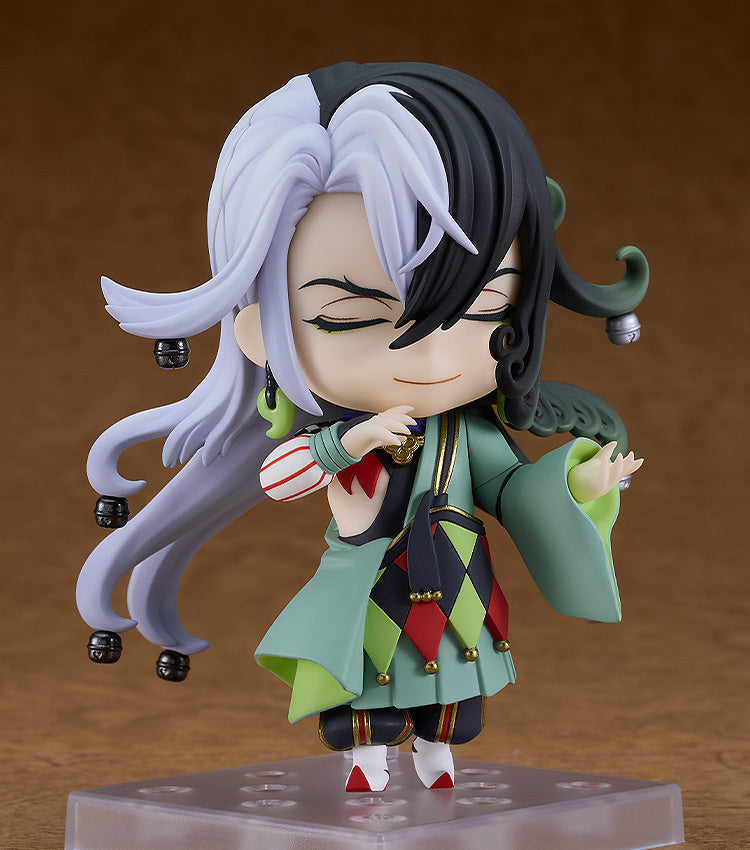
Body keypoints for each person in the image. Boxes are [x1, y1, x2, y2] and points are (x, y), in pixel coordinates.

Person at [78, 62, 647, 792]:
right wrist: (350, 441)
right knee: (366, 689)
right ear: (258, 331)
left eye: (483, 309)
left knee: (454, 691)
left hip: (458, 591)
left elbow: (510, 491)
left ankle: (437, 756)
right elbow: (280, 476)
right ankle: (367, 760)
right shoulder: (341, 433)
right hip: (370, 590)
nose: (432, 357)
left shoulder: (465, 434)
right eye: (350, 316)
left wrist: (576, 484)